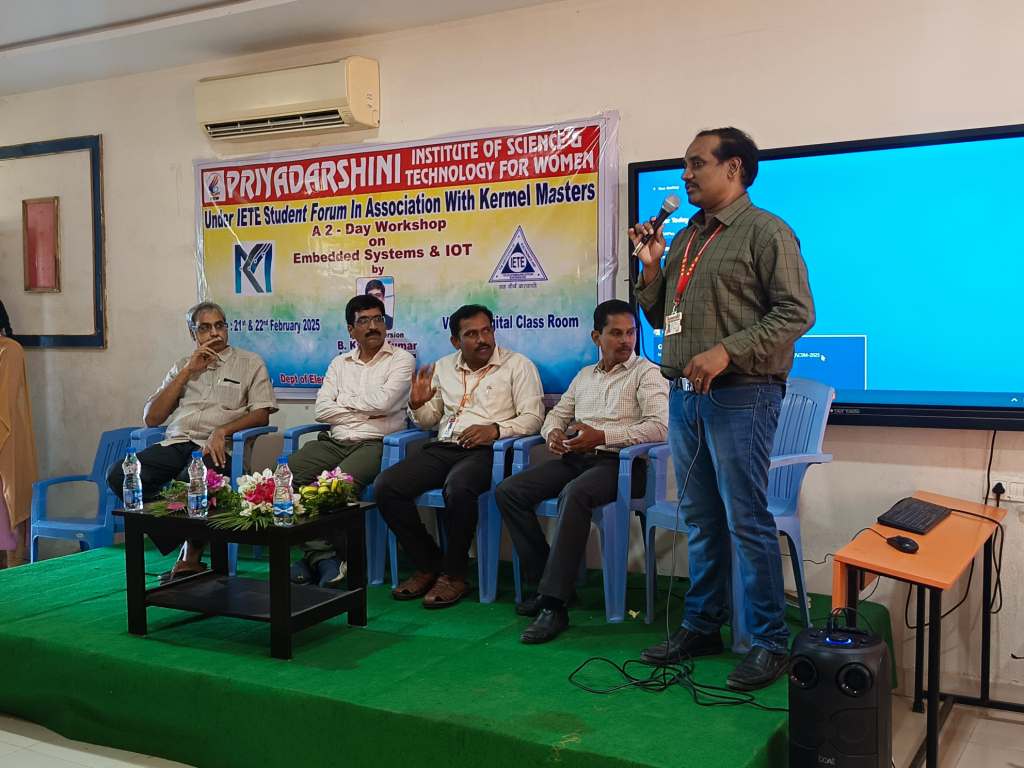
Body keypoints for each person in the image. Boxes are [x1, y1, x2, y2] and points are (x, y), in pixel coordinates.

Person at [631, 127, 815, 691]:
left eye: (696, 164)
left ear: (733, 168)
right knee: (702, 519)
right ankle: (702, 625)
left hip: (742, 394)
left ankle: (769, 642)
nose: (685, 175)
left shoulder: (767, 231)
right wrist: (651, 265)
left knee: (746, 521)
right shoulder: (687, 237)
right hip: (686, 397)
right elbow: (660, 317)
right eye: (684, 166)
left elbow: (797, 312)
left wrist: (727, 350)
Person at [495, 300, 668, 643]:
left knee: (573, 493)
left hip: (622, 466)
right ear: (596, 337)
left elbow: (659, 428)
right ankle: (548, 580)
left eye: (630, 333)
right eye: (616, 333)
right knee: (509, 491)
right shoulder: (585, 375)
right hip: (577, 460)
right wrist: (553, 435)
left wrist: (602, 436)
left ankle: (554, 605)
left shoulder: (646, 372)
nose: (625, 341)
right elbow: (556, 416)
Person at [374, 304, 544, 608]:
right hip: (446, 446)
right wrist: (417, 404)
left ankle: (455, 575)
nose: (482, 339)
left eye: (486, 331)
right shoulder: (443, 367)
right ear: (456, 341)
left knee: (459, 487)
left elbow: (533, 418)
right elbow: (429, 420)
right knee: (386, 486)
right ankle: (428, 564)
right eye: (472, 334)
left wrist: (495, 430)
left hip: (490, 452)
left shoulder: (518, 366)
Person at [106, 301, 277, 580]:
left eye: (220, 325)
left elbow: (261, 415)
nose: (215, 333)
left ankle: (189, 557)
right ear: (192, 333)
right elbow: (152, 418)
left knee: (191, 480)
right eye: (205, 328)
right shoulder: (182, 366)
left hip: (218, 447)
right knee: (119, 475)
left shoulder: (250, 363)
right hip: (177, 442)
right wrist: (188, 371)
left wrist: (222, 431)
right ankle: (178, 537)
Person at [287, 294, 414, 588]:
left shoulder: (402, 360)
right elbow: (322, 409)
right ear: (350, 329)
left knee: (334, 486)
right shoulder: (339, 363)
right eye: (364, 321)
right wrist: (365, 411)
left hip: (376, 443)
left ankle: (322, 560)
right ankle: (323, 558)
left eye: (378, 319)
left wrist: (344, 403)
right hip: (335, 441)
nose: (373, 327)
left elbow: (384, 403)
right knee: (285, 477)